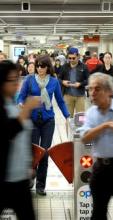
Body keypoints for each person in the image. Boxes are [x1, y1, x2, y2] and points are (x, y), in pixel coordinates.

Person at [17, 55, 70, 195]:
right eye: (38, 66)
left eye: (43, 66)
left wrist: (67, 116)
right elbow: (21, 96)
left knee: (45, 153)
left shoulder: (54, 82)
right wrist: (21, 103)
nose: (40, 69)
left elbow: (60, 101)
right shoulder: (29, 80)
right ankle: (31, 178)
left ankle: (41, 185)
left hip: (48, 121)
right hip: (32, 119)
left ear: (47, 67)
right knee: (34, 152)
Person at [0, 60, 41, 220]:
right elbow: (6, 133)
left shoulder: (12, 103)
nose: (17, 85)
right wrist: (26, 111)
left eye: (18, 79)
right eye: (12, 80)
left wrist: (30, 165)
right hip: (4, 179)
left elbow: (24, 139)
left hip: (20, 180)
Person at [80, 72, 113, 220]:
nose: (92, 93)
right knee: (98, 213)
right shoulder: (91, 113)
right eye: (90, 88)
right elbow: (84, 138)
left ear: (109, 91)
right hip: (101, 169)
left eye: (97, 89)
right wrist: (104, 126)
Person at [59, 47, 89, 117]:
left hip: (80, 96)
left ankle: (81, 128)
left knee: (81, 118)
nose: (71, 60)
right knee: (68, 117)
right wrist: (63, 82)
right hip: (67, 95)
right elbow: (58, 79)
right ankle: (68, 128)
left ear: (78, 56)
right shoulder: (64, 67)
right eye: (69, 58)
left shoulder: (84, 67)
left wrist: (80, 84)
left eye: (73, 58)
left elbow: (89, 79)